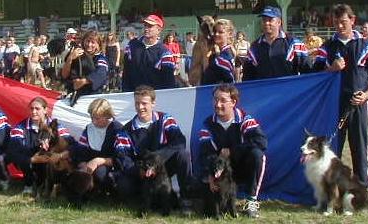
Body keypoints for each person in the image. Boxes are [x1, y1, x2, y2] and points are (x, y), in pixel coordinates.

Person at [313, 4, 368, 189]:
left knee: (359, 147)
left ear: (352, 20)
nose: (340, 26)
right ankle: (333, 188)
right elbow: (315, 77)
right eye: (336, 22)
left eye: (343, 22)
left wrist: (366, 95)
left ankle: (361, 186)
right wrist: (331, 68)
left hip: (358, 104)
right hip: (334, 106)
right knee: (333, 147)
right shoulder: (326, 47)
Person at [115, 85, 193, 213]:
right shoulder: (125, 130)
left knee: (183, 155)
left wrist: (157, 158)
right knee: (124, 185)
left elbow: (179, 142)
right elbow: (123, 157)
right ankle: (145, 200)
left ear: (153, 103)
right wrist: (139, 169)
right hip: (142, 170)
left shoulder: (165, 119)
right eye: (137, 103)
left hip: (163, 166)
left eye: (144, 103)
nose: (140, 107)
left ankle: (186, 199)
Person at [196, 84, 267, 218]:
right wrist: (210, 175)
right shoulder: (207, 124)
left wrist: (233, 151)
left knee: (258, 155)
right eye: (215, 99)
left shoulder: (245, 119)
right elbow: (205, 154)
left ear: (233, 102)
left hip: (241, 167)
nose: (218, 104)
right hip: (220, 173)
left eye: (223, 100)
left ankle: (251, 201)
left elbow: (261, 141)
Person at [6, 97, 75, 194]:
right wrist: (32, 159)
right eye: (31, 108)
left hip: (51, 161)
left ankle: (55, 185)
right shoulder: (20, 127)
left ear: (45, 110)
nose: (34, 112)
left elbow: (72, 145)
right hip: (31, 160)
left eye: (37, 109)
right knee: (20, 155)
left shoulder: (56, 127)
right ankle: (29, 184)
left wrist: (60, 155)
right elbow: (13, 150)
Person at [243, 6, 311, 81]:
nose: (266, 23)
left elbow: (307, 71)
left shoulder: (294, 43)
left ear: (279, 22)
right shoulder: (254, 47)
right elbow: (248, 76)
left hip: (289, 91)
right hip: (264, 91)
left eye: (270, 20)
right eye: (264, 20)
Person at [72, 98, 123, 192]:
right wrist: (82, 163)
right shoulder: (89, 128)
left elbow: (121, 157)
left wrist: (98, 161)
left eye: (97, 118)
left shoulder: (117, 129)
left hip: (110, 166)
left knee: (101, 173)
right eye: (92, 118)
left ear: (107, 115)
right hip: (89, 164)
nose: (94, 121)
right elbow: (80, 150)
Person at [122, 13, 176, 91]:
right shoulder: (131, 46)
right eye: (145, 25)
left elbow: (169, 82)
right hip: (133, 96)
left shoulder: (165, 53)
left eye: (150, 26)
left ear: (159, 30)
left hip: (154, 98)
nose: (146, 28)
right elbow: (126, 73)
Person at [61, 30, 109, 95]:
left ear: (98, 45)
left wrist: (83, 81)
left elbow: (101, 73)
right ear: (83, 41)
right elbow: (64, 75)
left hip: (92, 95)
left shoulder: (100, 58)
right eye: (88, 41)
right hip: (73, 93)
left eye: (93, 42)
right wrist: (70, 58)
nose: (89, 45)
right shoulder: (76, 54)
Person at [201, 19, 236, 85]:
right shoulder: (219, 54)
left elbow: (230, 83)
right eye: (215, 31)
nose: (216, 34)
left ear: (229, 34)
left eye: (220, 32)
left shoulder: (224, 58)